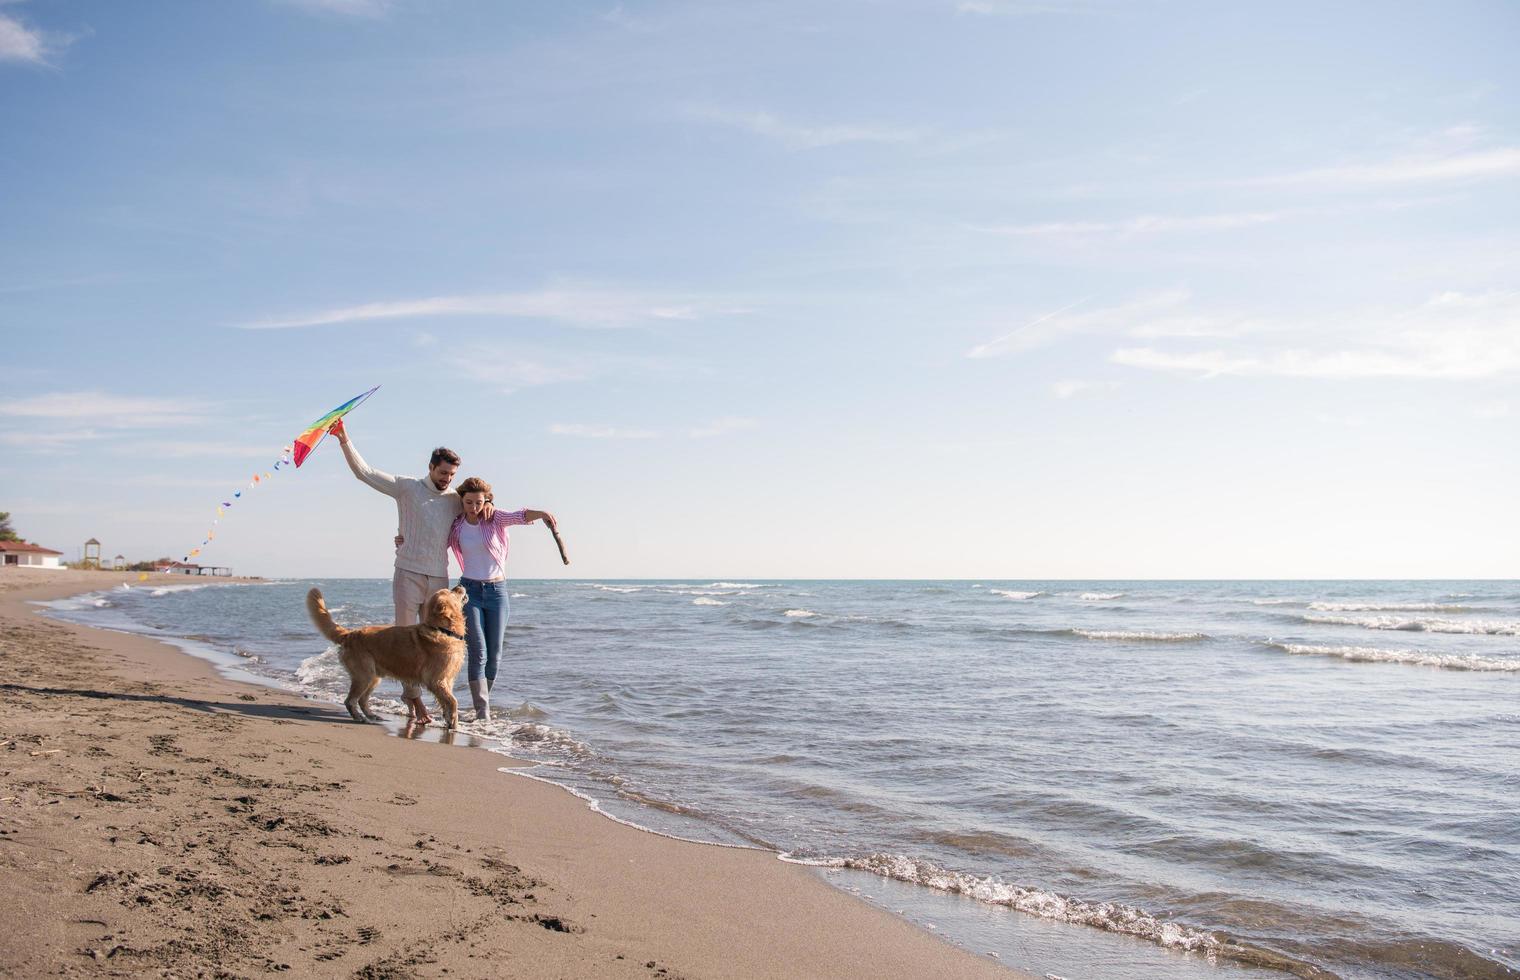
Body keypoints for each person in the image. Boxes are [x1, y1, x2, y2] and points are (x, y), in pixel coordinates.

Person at [329, 418, 489, 725]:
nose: (447, 479)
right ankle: (414, 705)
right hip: (407, 573)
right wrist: (343, 438)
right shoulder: (407, 488)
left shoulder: (455, 500)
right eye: (443, 473)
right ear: (430, 467)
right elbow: (366, 474)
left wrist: (491, 505)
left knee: (439, 647)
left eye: (452, 475)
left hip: (439, 579)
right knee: (405, 642)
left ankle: (437, 702)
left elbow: (477, 507)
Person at [447, 476, 556, 722]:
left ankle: (482, 705)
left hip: (498, 592)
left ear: (487, 500)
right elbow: (432, 541)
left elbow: (520, 516)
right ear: (462, 502)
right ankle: (483, 714)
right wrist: (403, 540)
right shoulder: (456, 525)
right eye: (468, 502)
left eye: (478, 502)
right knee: (479, 651)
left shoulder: (495, 518)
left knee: (495, 654)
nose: (474, 507)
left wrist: (543, 513)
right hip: (469, 593)